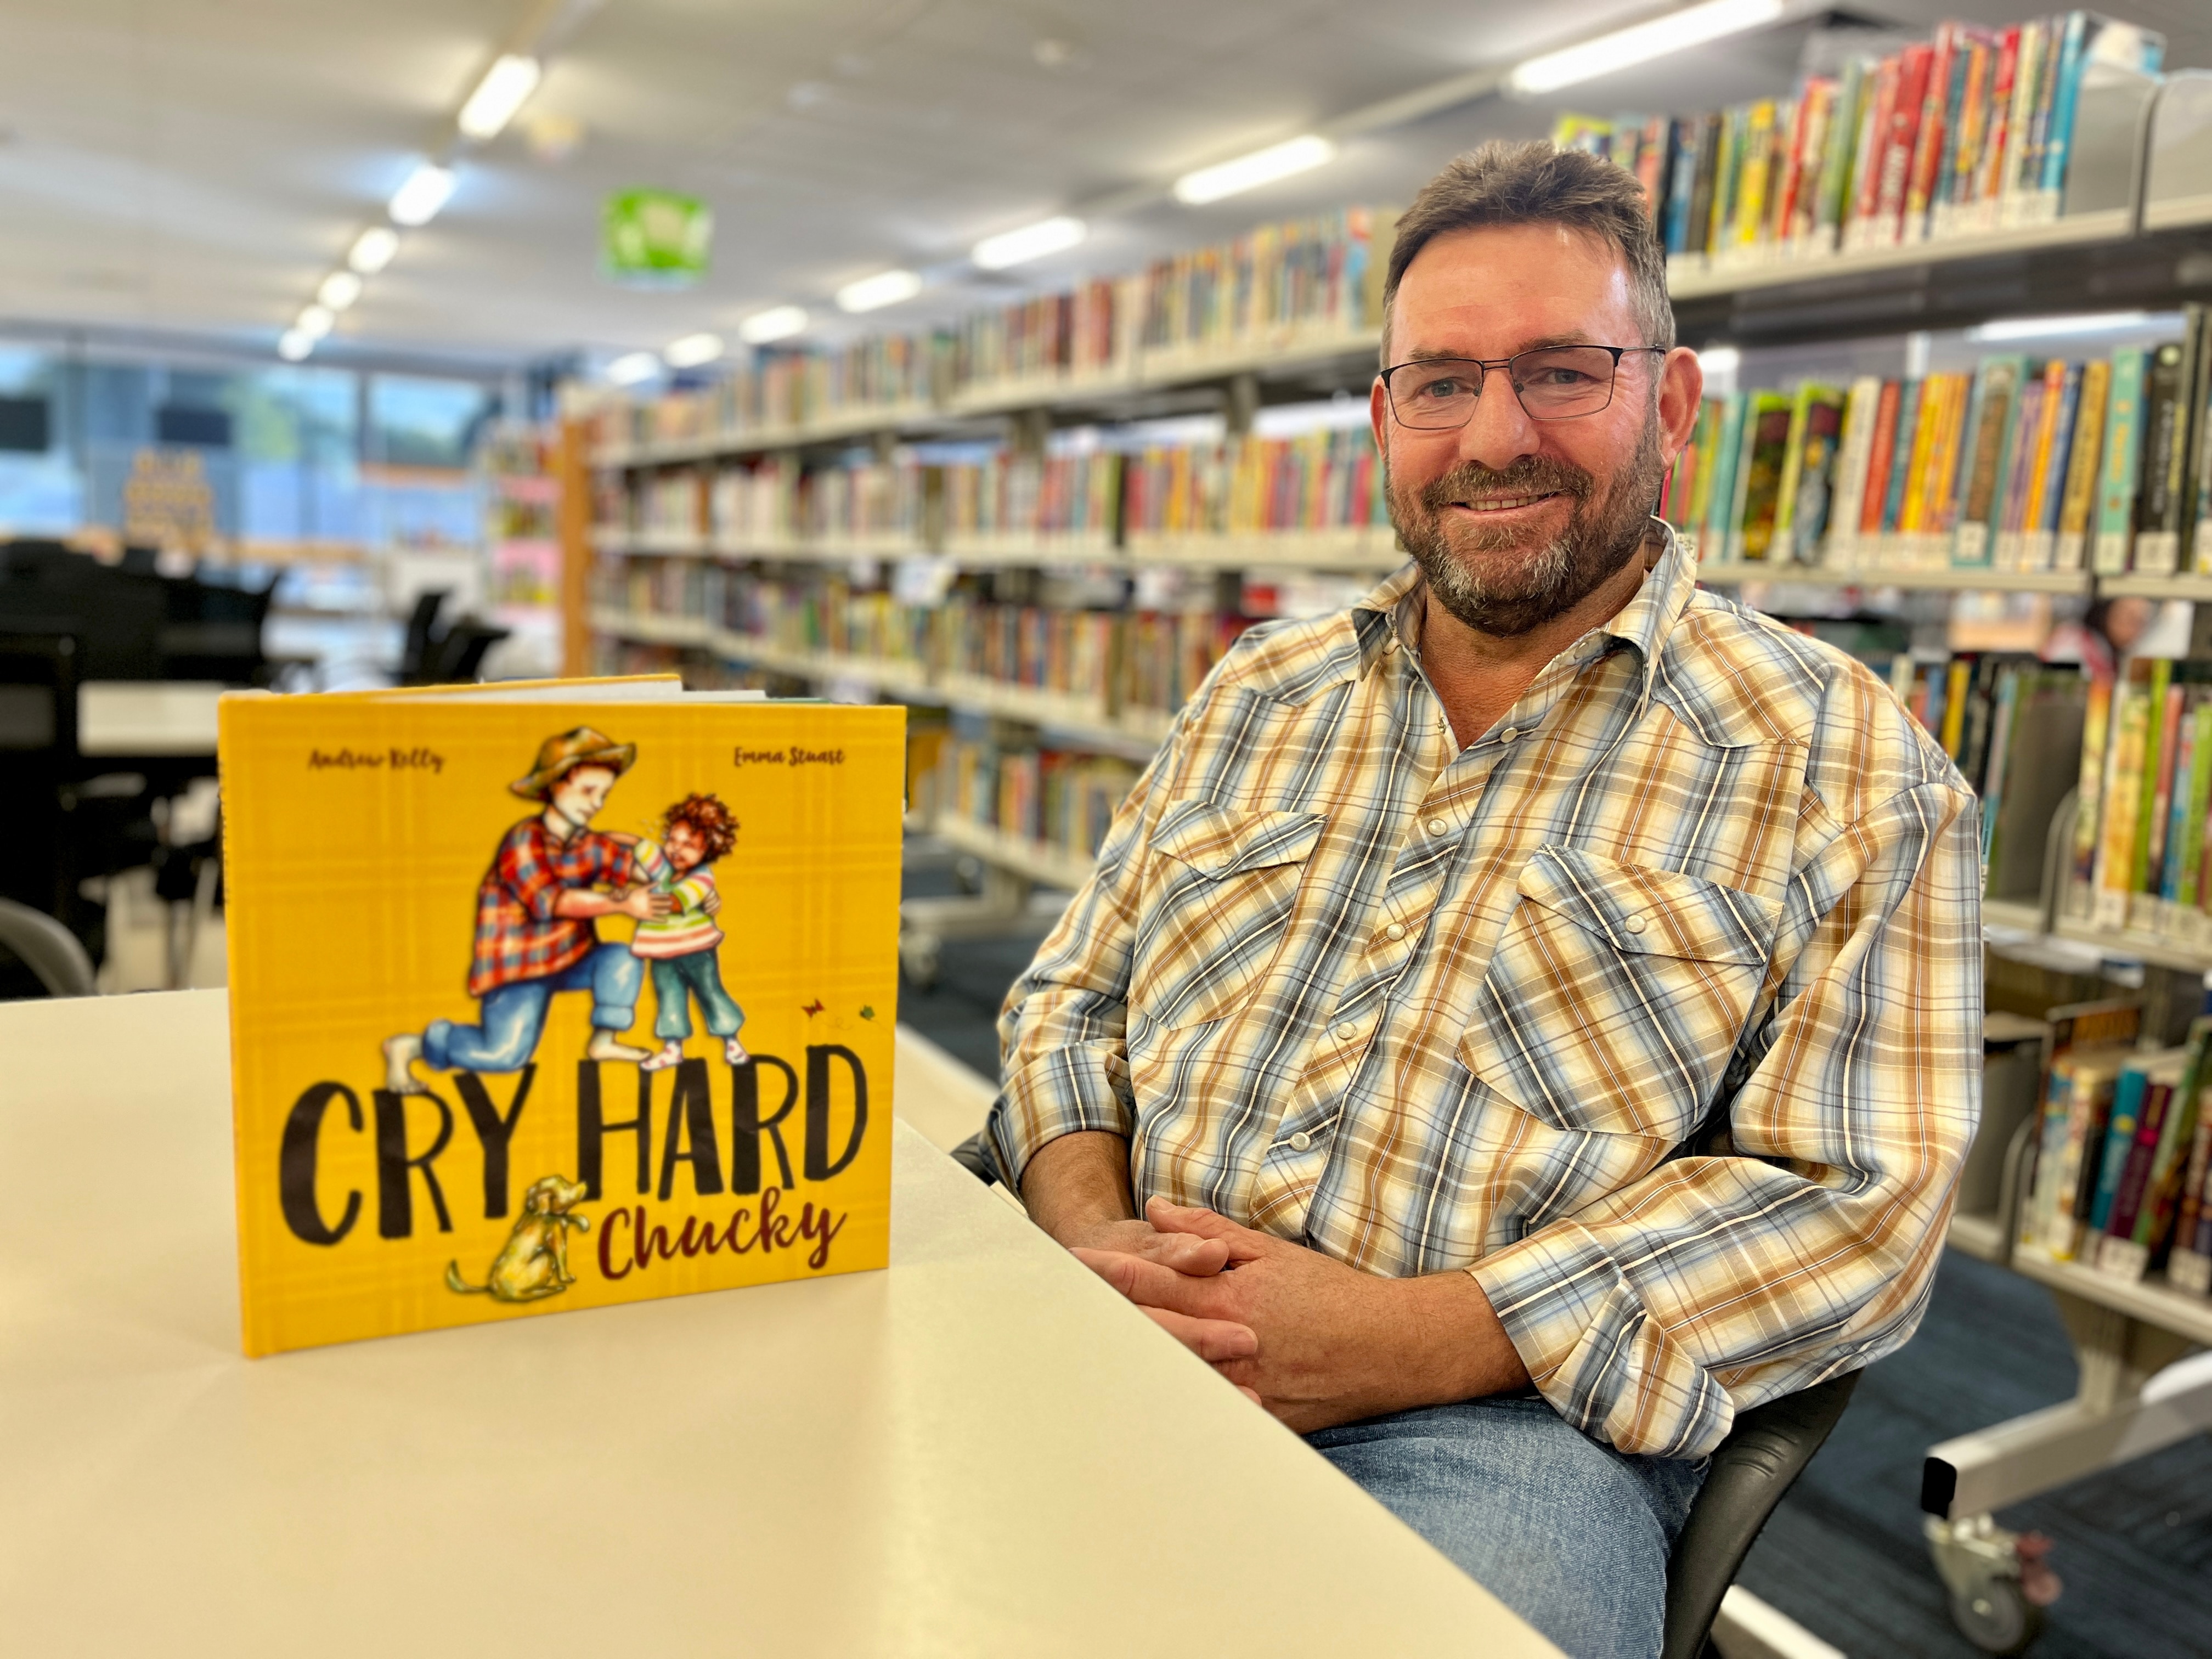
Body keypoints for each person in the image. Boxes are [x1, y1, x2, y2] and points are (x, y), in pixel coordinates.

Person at [987, 140, 1979, 1659]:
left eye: (1562, 373)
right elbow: (1074, 998)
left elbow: (1860, 1204)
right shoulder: (1262, 686)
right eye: (1442, 382)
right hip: (1107, 1302)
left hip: (1497, 1428)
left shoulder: (1846, 762)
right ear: (1385, 417)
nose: (1494, 436)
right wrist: (1083, 1232)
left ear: (1676, 399)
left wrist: (1409, 1340)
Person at [383, 727, 672, 1093]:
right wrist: (625, 903)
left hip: (570, 957)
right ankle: (413, 1046)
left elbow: (639, 869)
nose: (597, 803)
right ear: (554, 786)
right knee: (504, 1056)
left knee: (623, 959)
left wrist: (680, 876)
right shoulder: (522, 840)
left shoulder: (588, 843)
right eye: (588, 791)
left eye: (604, 794)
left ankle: (603, 1041)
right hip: (519, 966)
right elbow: (553, 902)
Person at [630, 792, 750, 1072]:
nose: (676, 849)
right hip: (661, 952)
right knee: (669, 995)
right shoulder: (662, 868)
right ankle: (673, 1048)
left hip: (697, 949)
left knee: (710, 991)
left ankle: (731, 1040)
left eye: (688, 844)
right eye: (672, 840)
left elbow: (674, 903)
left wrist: (635, 903)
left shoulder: (702, 876)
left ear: (707, 849)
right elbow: (638, 846)